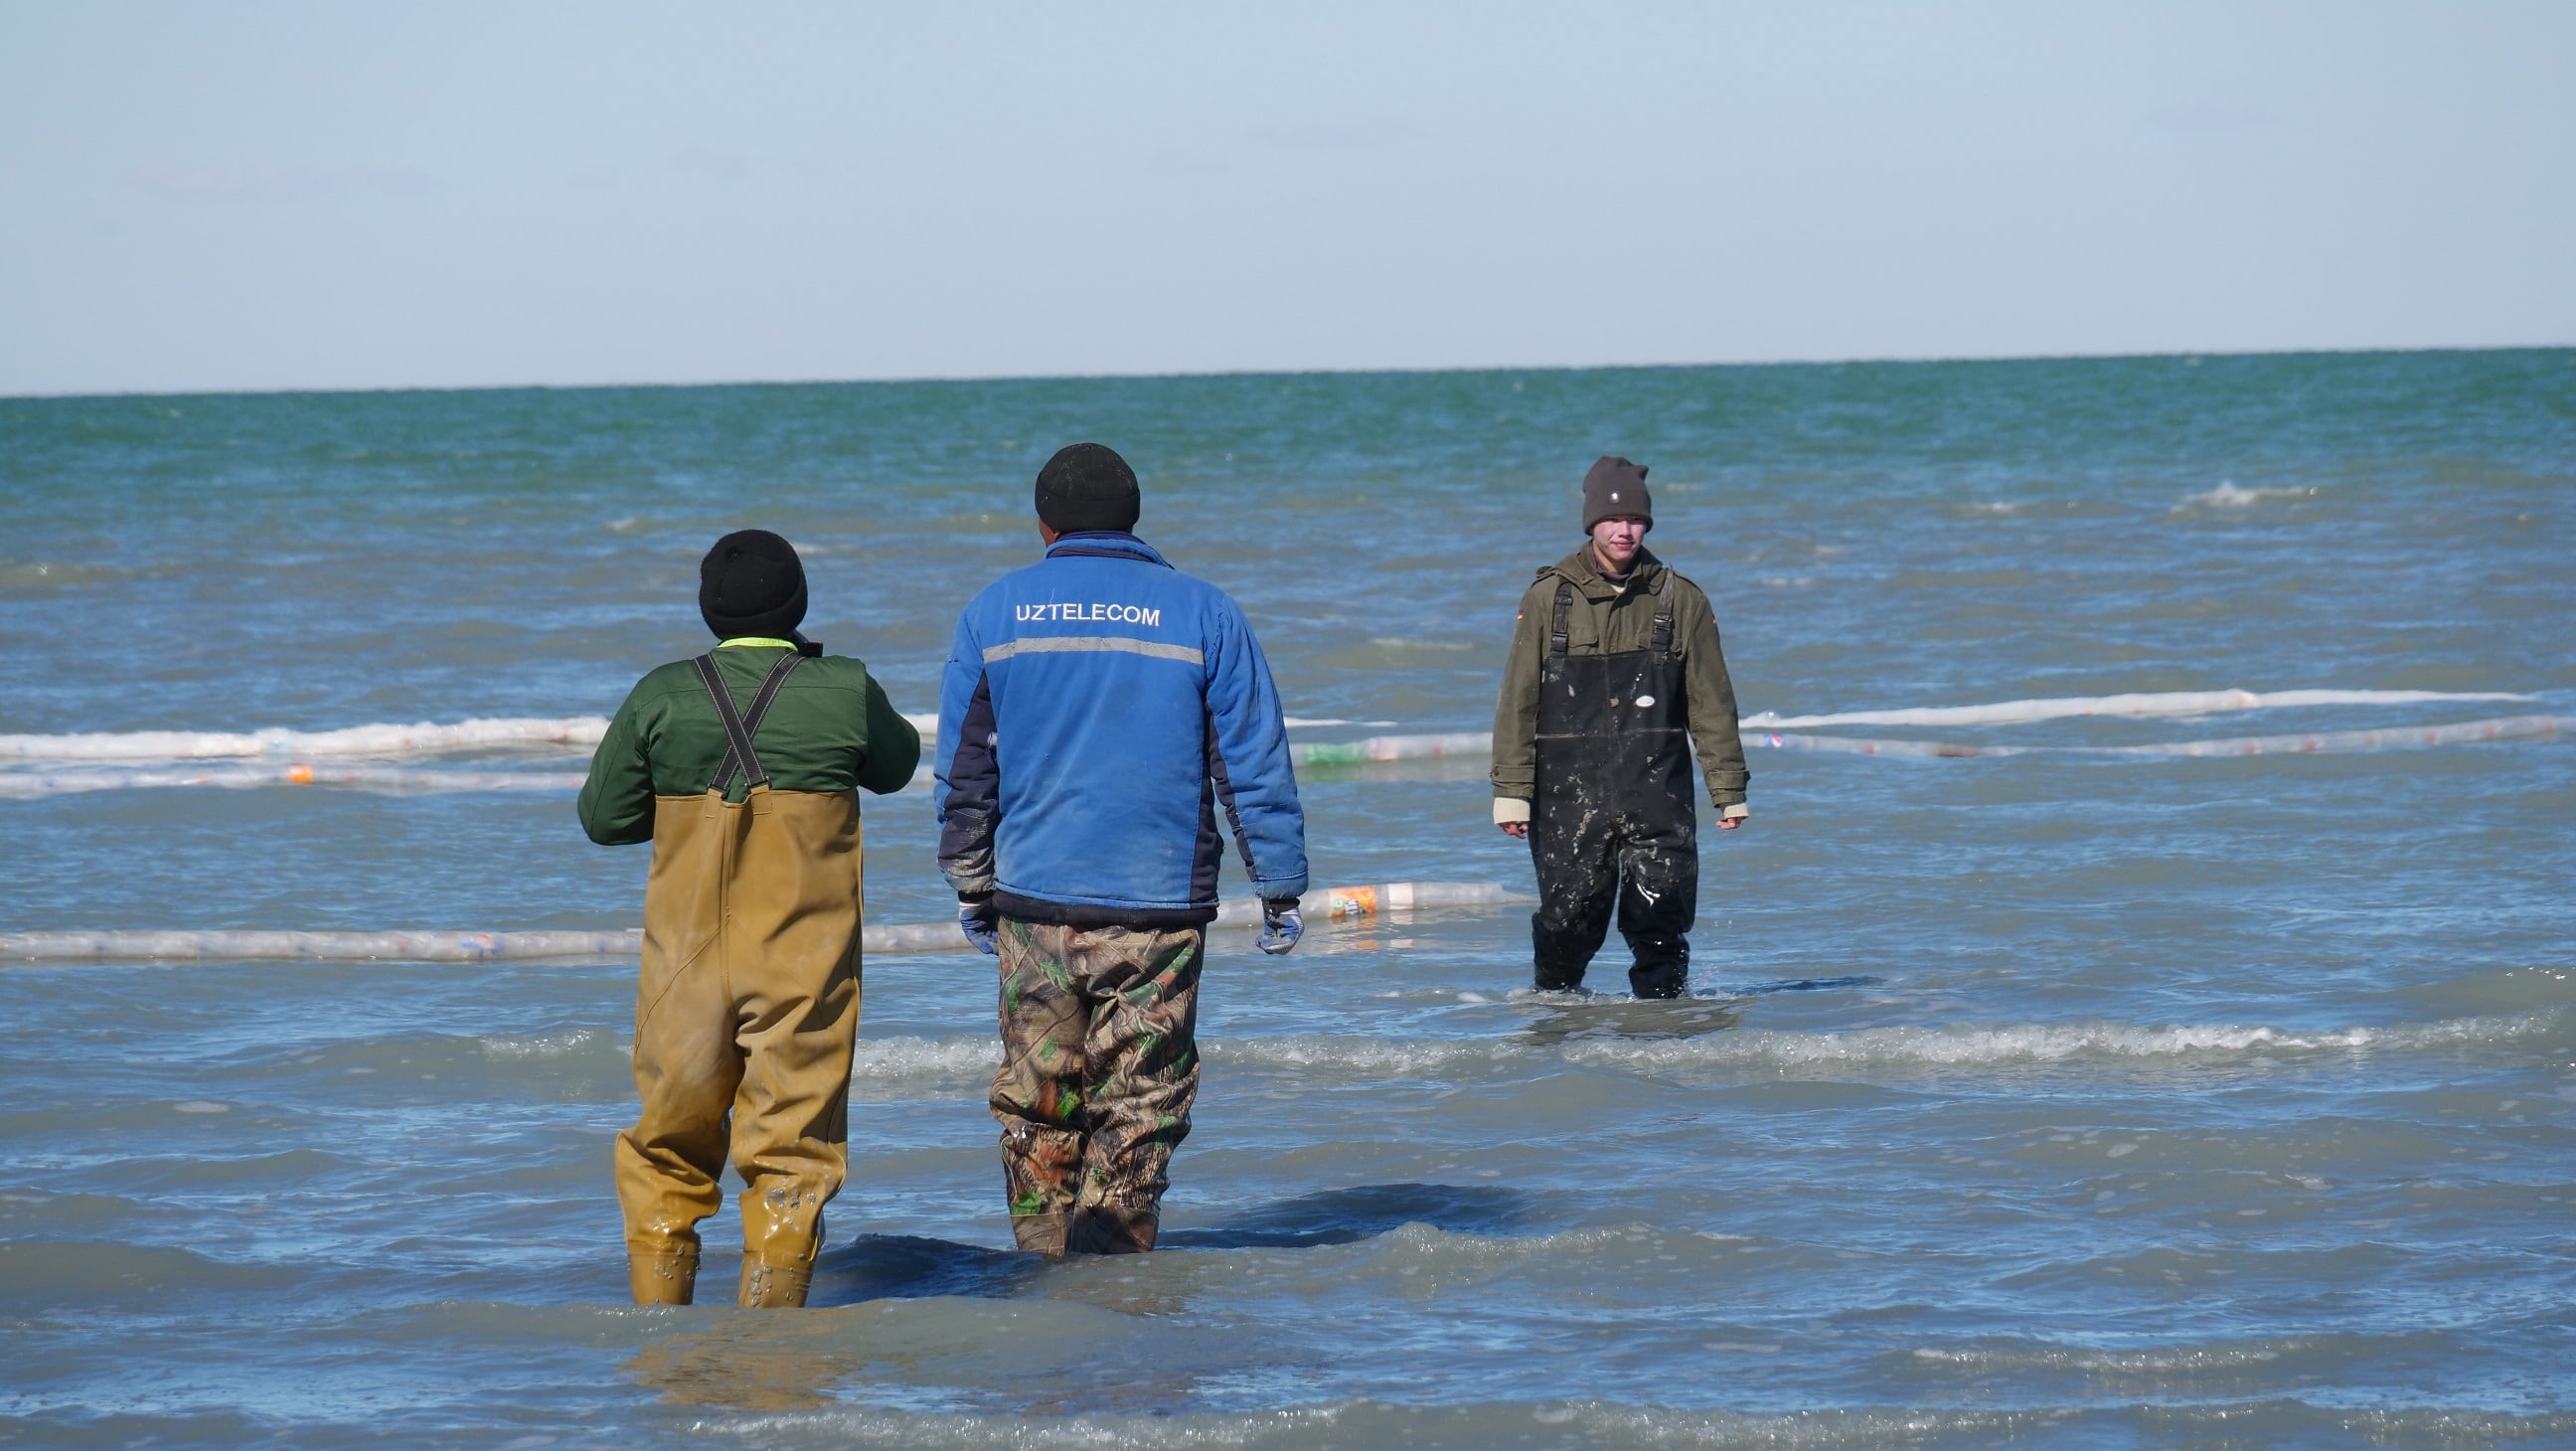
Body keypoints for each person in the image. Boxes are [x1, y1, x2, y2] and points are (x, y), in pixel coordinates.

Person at [935, 442, 1308, 1256]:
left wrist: (970, 882)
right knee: (1138, 1112)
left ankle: (1043, 1277)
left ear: (1043, 526)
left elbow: (967, 767)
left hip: (1031, 909)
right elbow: (1250, 761)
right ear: (1136, 519)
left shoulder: (995, 611)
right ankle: (1116, 1299)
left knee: (1038, 1108)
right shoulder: (1203, 611)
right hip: (1155, 915)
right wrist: (1278, 885)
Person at [576, 530, 920, 1308]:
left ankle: (664, 1348)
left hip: (684, 966)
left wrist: (681, 802)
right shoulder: (845, 686)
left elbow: (602, 817)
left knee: (667, 1144)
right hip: (805, 963)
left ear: (709, 611)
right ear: (796, 605)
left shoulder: (662, 692)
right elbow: (896, 770)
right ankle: (771, 1353)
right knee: (794, 1153)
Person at [1491, 456, 1750, 999]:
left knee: (1661, 919)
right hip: (1567, 796)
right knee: (1568, 921)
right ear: (1591, 524)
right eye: (1612, 520)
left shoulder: (1682, 600)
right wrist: (1511, 794)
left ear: (1647, 524)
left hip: (1658, 792)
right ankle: (1555, 1020)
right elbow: (1518, 701)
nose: (1623, 529)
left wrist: (1728, 791)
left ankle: (1663, 1030)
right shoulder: (1547, 599)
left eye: (1634, 519)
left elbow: (1711, 704)